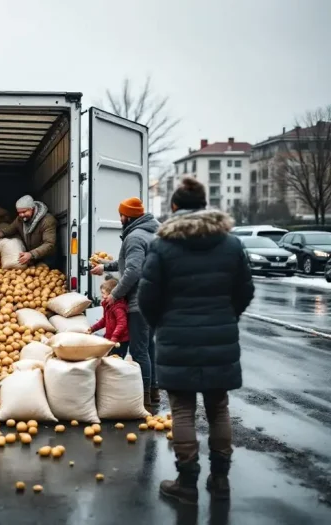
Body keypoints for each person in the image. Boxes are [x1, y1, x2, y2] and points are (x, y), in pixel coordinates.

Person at [138, 178, 254, 505]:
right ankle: (220, 481)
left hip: (177, 338)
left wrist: (161, 323)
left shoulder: (163, 245)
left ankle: (186, 484)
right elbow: (245, 290)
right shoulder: (231, 244)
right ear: (205, 206)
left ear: (174, 207)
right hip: (221, 335)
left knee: (183, 410)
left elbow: (148, 296)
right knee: (219, 408)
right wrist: (227, 317)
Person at [90, 197, 159, 407]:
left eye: (121, 215)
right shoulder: (152, 232)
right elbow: (130, 263)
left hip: (141, 301)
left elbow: (132, 271)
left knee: (139, 350)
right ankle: (154, 390)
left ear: (126, 216)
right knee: (148, 347)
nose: (119, 218)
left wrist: (115, 294)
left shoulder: (134, 237)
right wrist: (105, 267)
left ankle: (144, 398)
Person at [0, 195, 57, 267]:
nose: (21, 215)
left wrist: (31, 254)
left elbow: (49, 244)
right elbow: (10, 229)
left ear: (32, 208)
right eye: (19, 212)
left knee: (43, 273)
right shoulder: (20, 219)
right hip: (31, 257)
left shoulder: (47, 220)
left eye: (24, 212)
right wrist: (0, 233)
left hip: (46, 258)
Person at [88, 279, 129, 357]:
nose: (102, 296)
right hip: (110, 339)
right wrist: (93, 328)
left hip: (119, 341)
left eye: (104, 293)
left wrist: (114, 337)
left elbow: (122, 323)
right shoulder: (108, 305)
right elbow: (104, 320)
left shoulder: (118, 308)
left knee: (116, 360)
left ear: (112, 294)